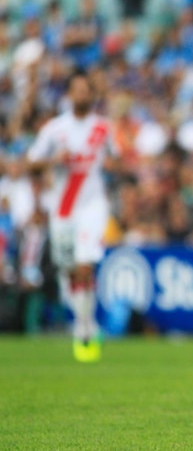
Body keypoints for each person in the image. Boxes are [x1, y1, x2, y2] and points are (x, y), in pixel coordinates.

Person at [27, 70, 117, 362]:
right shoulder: (54, 129)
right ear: (69, 94)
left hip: (92, 205)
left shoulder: (103, 128)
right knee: (69, 271)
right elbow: (31, 162)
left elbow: (119, 160)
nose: (81, 95)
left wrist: (117, 165)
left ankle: (82, 329)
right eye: (76, 91)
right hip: (62, 207)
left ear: (92, 95)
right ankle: (86, 322)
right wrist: (54, 161)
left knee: (83, 265)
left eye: (85, 91)